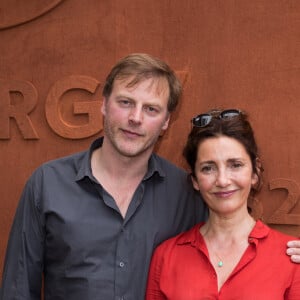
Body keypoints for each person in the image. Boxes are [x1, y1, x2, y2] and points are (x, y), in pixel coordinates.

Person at [1, 55, 300, 300]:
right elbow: (17, 289)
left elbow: (230, 236)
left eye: (151, 109)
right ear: (104, 105)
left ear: (166, 121)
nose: (136, 118)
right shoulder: (48, 183)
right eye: (126, 102)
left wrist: (285, 257)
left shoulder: (186, 192)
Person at [146, 109, 300, 299]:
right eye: (208, 168)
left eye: (235, 165)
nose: (223, 180)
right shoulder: (167, 256)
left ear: (255, 172)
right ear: (195, 179)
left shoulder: (291, 256)